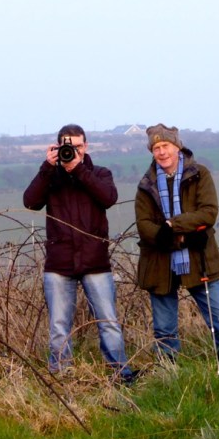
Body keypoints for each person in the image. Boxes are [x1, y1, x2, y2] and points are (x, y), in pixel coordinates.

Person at [24, 123, 136, 384]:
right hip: (60, 263)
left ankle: (120, 373)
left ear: (86, 146)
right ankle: (61, 377)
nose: (73, 151)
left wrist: (78, 170)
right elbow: (30, 202)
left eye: (77, 146)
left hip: (95, 261)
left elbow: (108, 198)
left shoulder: (99, 173)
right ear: (58, 147)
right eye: (68, 147)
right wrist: (47, 167)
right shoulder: (50, 177)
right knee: (59, 325)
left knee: (108, 321)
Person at [134, 123, 219, 366]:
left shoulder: (200, 174)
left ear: (177, 147)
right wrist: (181, 236)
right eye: (156, 148)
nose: (161, 152)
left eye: (165, 145)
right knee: (164, 328)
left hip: (199, 260)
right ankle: (168, 374)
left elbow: (208, 213)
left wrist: (171, 225)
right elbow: (144, 225)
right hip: (159, 262)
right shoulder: (146, 184)